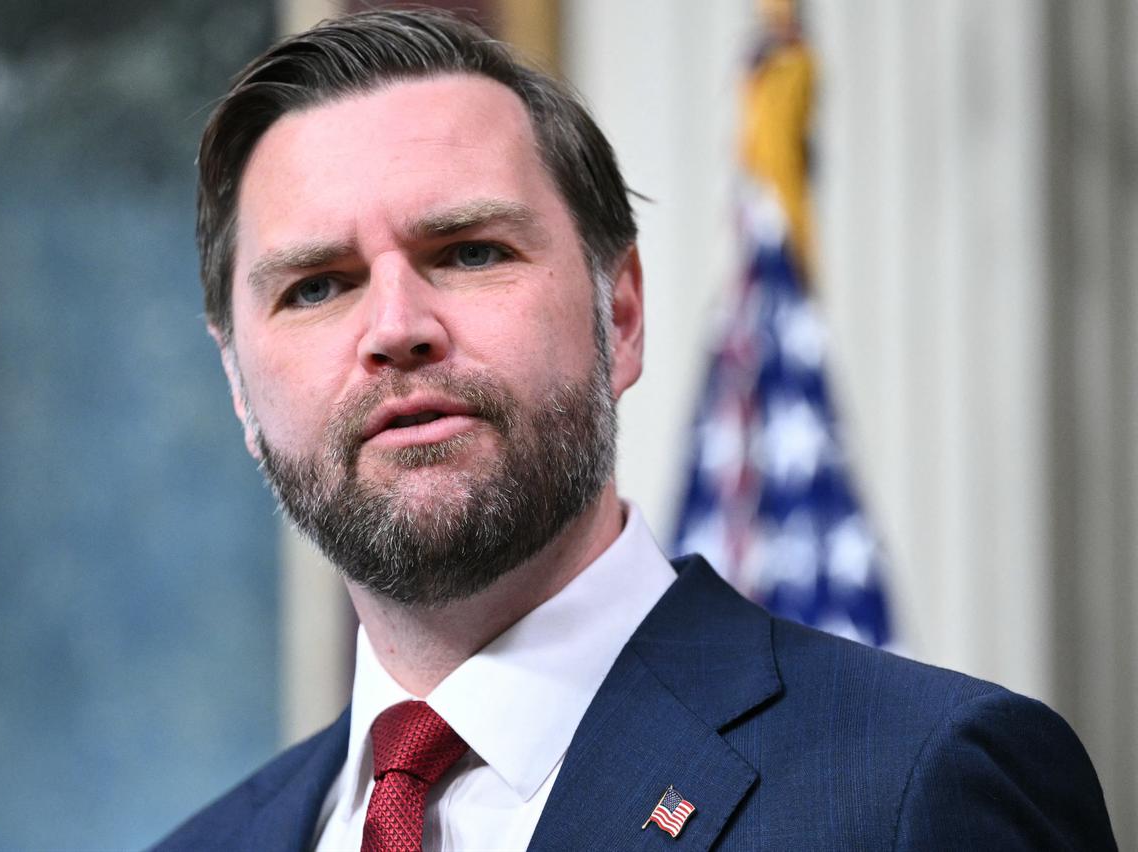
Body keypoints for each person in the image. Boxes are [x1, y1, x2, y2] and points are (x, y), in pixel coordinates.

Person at [155, 9, 1115, 851]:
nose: (397, 327)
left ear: (619, 316)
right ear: (239, 383)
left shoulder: (914, 788)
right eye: (316, 285)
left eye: (470, 251)